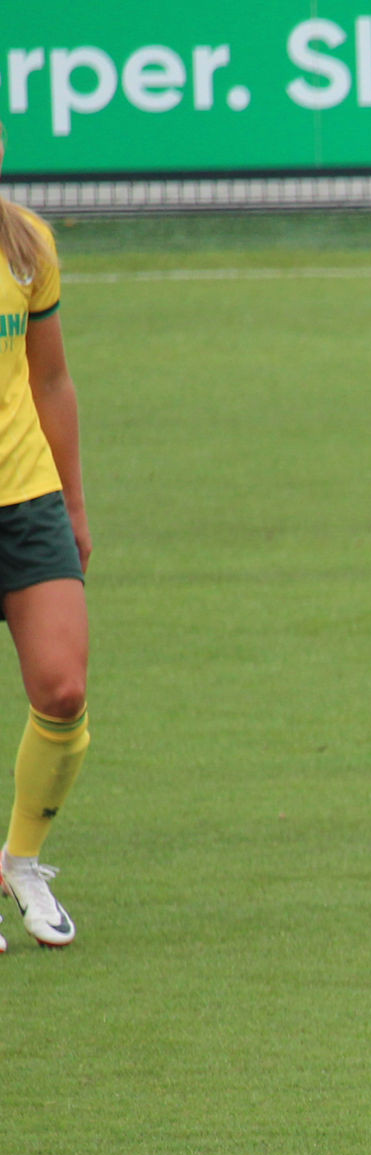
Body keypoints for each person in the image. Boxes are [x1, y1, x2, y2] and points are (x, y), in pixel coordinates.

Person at [0, 120, 92, 954]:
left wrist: (72, 503)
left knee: (62, 690)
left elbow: (51, 379)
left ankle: (21, 857)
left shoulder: (26, 242)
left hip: (25, 498)